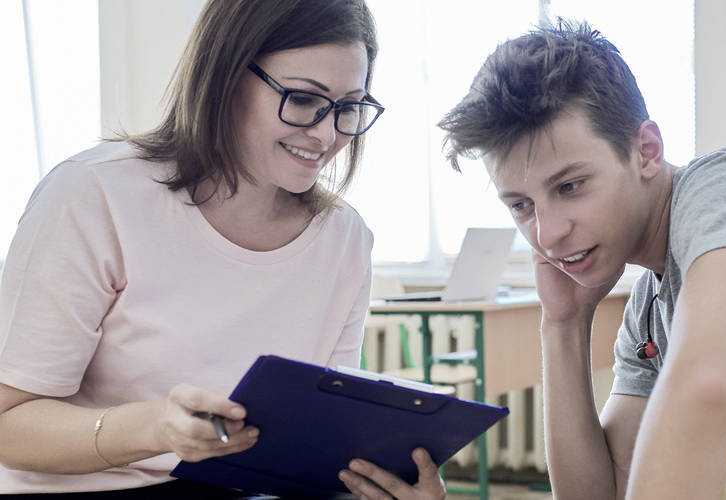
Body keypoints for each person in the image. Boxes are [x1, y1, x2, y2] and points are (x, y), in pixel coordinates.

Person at [0, 0, 445, 498]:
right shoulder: (94, 195)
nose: (326, 134)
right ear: (225, 78)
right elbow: (7, 423)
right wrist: (155, 430)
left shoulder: (344, 238)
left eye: (348, 108)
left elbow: (320, 441)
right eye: (302, 99)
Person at [436, 20, 726, 500]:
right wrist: (563, 324)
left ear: (646, 151)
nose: (548, 234)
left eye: (570, 186)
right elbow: (600, 493)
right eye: (521, 205)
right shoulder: (651, 304)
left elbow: (708, 386)